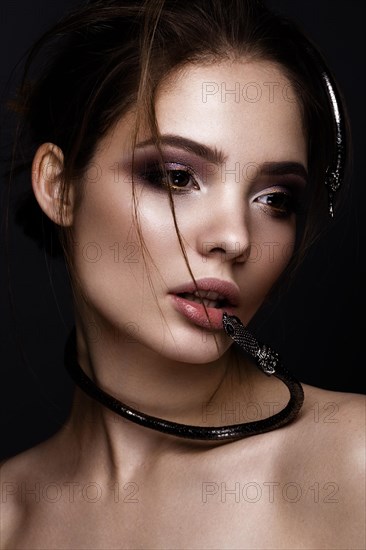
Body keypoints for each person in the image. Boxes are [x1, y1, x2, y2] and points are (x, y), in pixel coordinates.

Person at [1, 0, 364, 548]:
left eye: (274, 198)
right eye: (175, 176)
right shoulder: (10, 516)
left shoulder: (351, 462)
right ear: (59, 186)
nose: (236, 238)